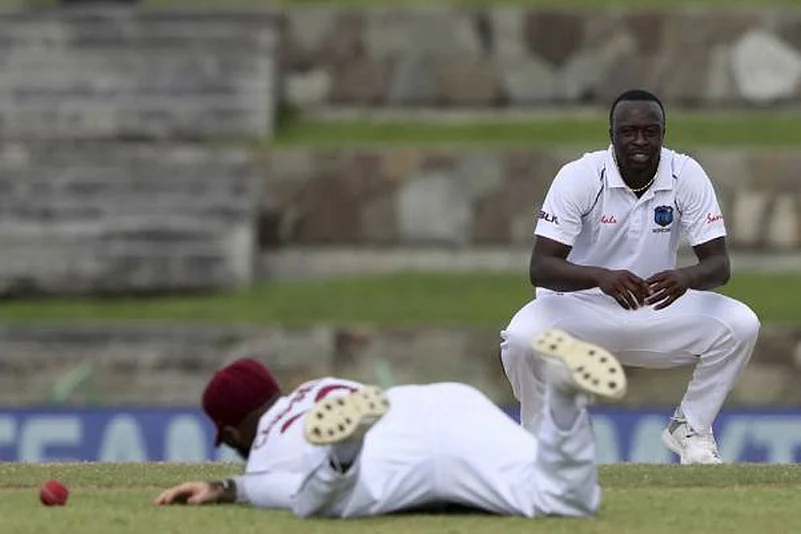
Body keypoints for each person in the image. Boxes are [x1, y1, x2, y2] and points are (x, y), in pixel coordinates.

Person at [499, 89, 760, 465]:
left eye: (650, 132)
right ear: (612, 134)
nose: (640, 141)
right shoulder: (580, 176)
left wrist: (685, 278)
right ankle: (541, 441)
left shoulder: (685, 174)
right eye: (629, 132)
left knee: (741, 324)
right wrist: (601, 278)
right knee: (521, 338)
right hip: (578, 310)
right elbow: (541, 268)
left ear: (663, 134)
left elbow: (719, 265)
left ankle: (691, 428)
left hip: (654, 307)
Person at [154, 329, 627, 518]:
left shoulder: (265, 450)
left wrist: (229, 487)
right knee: (568, 496)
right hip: (452, 402)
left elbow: (272, 489)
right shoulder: (321, 387)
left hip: (386, 455)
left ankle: (341, 454)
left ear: (232, 434)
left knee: (311, 500)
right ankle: (562, 394)